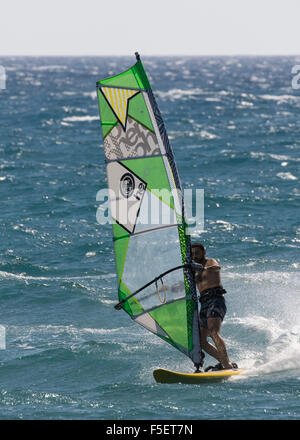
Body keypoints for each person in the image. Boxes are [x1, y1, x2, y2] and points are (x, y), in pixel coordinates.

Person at [191, 242, 237, 371]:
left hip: (215, 301)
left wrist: (198, 267)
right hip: (204, 304)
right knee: (201, 341)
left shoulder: (210, 262)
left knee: (213, 332)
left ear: (204, 252)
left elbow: (213, 268)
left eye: (197, 253)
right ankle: (225, 362)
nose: (195, 256)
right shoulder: (193, 272)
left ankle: (227, 365)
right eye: (193, 254)